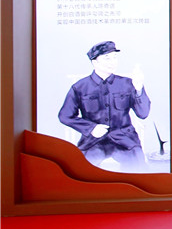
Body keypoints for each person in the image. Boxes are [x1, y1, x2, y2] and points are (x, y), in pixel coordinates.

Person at [58, 41, 150, 171]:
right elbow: (65, 116)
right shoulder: (80, 87)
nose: (113, 62)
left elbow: (143, 114)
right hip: (92, 142)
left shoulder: (128, 83)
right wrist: (91, 128)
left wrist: (139, 88)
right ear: (94, 62)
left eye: (114, 57)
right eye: (107, 58)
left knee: (137, 169)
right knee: (82, 170)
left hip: (125, 140)